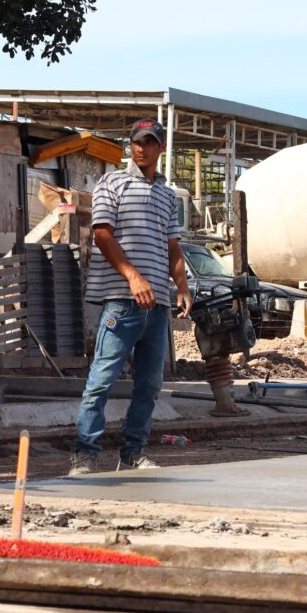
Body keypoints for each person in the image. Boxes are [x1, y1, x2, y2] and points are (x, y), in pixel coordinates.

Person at [69, 118, 192, 476]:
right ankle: (84, 452)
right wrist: (133, 277)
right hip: (123, 299)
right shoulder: (113, 182)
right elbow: (103, 235)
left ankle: (132, 452)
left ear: (160, 148)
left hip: (158, 304)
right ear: (130, 145)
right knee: (102, 379)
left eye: (150, 142)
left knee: (150, 384)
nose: (142, 148)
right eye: (137, 142)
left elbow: (173, 246)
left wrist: (181, 286)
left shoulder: (167, 195)